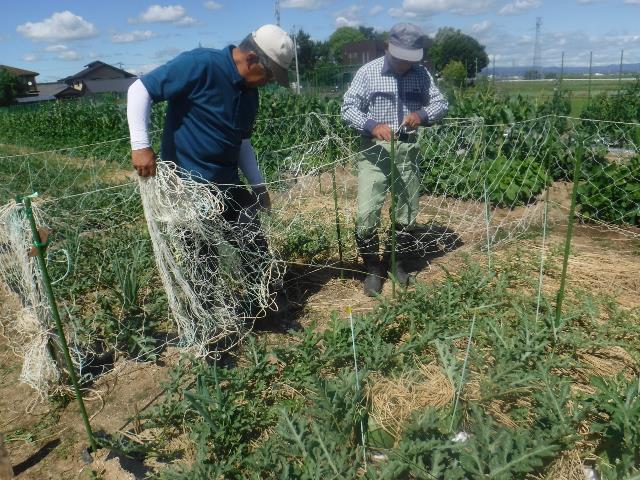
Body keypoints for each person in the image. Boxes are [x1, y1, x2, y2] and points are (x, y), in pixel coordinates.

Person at [127, 24, 294, 316]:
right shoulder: (201, 64)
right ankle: (206, 321)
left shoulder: (249, 95)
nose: (267, 82)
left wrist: (257, 186)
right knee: (200, 257)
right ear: (252, 58)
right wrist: (141, 145)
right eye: (268, 74)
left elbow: (242, 142)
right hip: (186, 185)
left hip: (226, 183)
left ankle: (264, 302)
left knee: (252, 239)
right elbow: (140, 89)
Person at [341, 22, 448, 296]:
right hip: (374, 151)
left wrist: (421, 116)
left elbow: (440, 104)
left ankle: (396, 262)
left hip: (407, 150)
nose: (405, 64)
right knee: (366, 213)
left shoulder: (421, 75)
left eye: (411, 59)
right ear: (388, 47)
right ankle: (373, 269)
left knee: (407, 212)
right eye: (401, 58)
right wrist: (372, 125)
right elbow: (348, 107)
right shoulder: (368, 72)